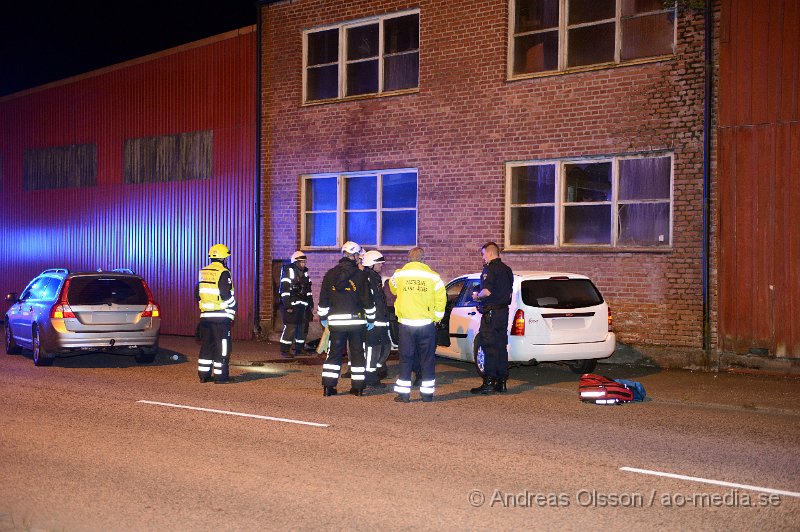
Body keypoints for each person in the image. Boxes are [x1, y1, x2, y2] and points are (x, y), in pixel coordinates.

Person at [317, 241, 376, 397]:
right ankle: (357, 388)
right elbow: (367, 301)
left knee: (334, 354)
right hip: (357, 323)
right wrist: (371, 319)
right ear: (354, 256)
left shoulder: (330, 274)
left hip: (336, 323)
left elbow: (323, 299)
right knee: (357, 354)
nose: (359, 259)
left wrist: (323, 318)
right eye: (358, 256)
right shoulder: (361, 276)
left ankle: (328, 388)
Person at [390, 247, 446, 403]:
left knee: (406, 358)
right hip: (426, 324)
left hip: (406, 324)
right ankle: (427, 395)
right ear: (424, 258)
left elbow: (393, 289)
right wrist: (435, 317)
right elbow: (441, 300)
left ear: (409, 258)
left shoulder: (400, 274)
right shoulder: (434, 277)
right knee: (427, 359)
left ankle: (404, 395)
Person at [470, 242, 514, 394]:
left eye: (483, 254)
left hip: (491, 314)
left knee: (489, 347)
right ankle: (501, 383)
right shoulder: (507, 270)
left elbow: (487, 292)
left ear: (489, 253)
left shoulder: (489, 269)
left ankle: (488, 382)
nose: (483, 258)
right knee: (501, 347)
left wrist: (477, 297)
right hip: (503, 313)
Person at [196, 243, 237, 384]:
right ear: (224, 258)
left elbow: (197, 293)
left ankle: (204, 375)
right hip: (221, 316)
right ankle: (220, 377)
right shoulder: (223, 272)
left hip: (206, 316)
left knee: (207, 345)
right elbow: (226, 294)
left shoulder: (203, 271)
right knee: (223, 347)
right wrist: (234, 306)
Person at [362, 250, 391, 388]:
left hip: (381, 320)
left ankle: (376, 371)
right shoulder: (367, 279)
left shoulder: (375, 278)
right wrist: (371, 319)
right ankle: (370, 377)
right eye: (379, 263)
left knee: (385, 347)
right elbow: (369, 301)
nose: (381, 266)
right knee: (373, 350)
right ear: (371, 264)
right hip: (373, 322)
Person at [278, 251, 313, 358]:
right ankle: (285, 350)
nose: (303, 264)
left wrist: (310, 303)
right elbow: (284, 290)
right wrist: (288, 305)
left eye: (304, 262)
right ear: (295, 262)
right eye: (301, 262)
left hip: (303, 305)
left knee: (302, 328)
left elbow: (308, 290)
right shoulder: (288, 272)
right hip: (292, 305)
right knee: (290, 328)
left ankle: (299, 349)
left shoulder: (305, 273)